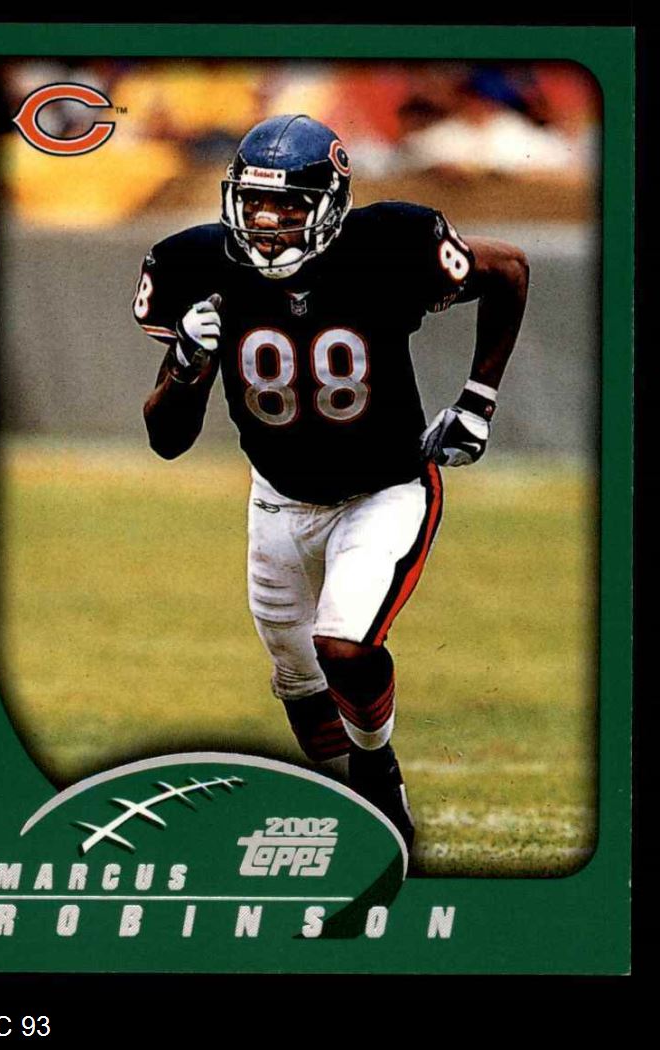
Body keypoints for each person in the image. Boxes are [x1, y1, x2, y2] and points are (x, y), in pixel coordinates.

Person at [132, 114, 529, 866]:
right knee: (299, 686)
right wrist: (185, 363)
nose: (267, 221)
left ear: (331, 204)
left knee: (342, 645)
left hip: (384, 489)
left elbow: (507, 267)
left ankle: (380, 777)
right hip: (278, 499)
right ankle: (354, 810)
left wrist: (477, 400)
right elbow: (166, 438)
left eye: (287, 204)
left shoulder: (388, 243)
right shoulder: (197, 264)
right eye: (254, 202)